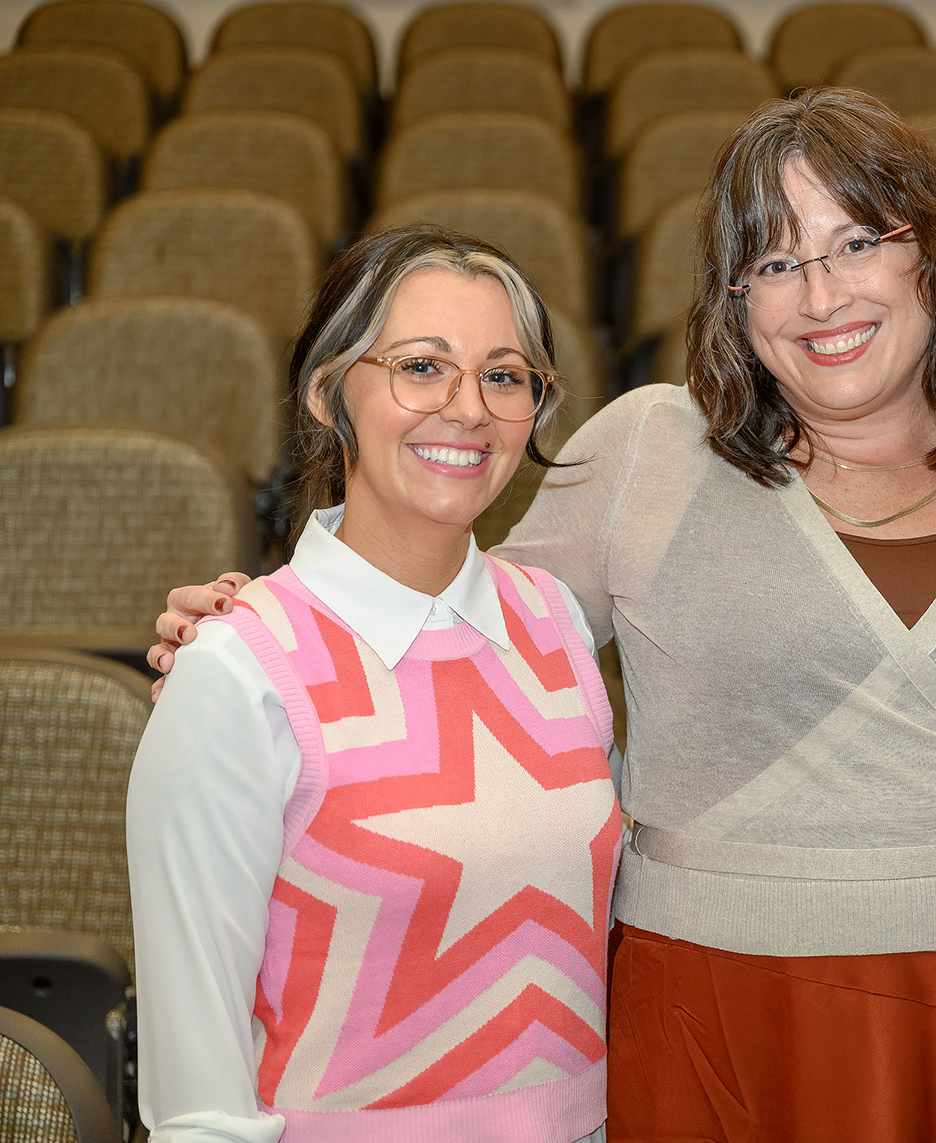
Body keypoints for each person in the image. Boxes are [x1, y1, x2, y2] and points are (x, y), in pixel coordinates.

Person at [149, 90, 936, 1142]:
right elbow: (452, 617)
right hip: (698, 1015)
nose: (821, 295)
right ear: (735, 305)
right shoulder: (646, 452)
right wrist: (261, 623)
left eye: (858, 242)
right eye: (773, 260)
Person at [128, 226, 622, 1143]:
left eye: (506, 375)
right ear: (328, 392)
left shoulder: (558, 626)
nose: (468, 408)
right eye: (423, 367)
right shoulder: (236, 671)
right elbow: (198, 1103)